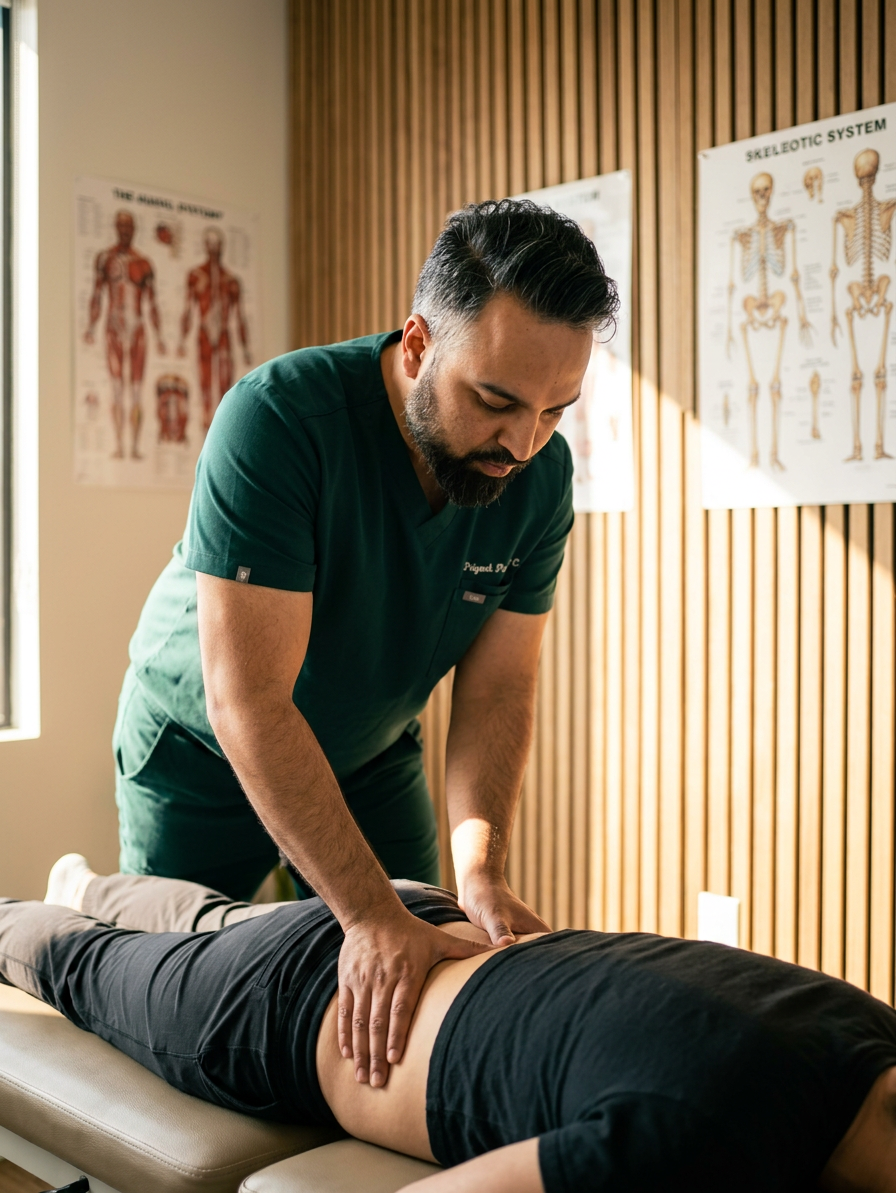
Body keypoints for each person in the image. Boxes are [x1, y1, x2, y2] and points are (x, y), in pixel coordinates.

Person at [113, 199, 618, 1085]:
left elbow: (498, 690)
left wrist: (482, 870)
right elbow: (251, 703)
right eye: (496, 402)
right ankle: (71, 909)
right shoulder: (278, 420)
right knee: (180, 1013)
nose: (521, 443)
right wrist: (367, 913)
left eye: (554, 412)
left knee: (418, 976)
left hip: (373, 746)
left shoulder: (540, 478)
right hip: (202, 749)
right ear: (419, 345)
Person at [1, 854, 895, 1193]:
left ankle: (87, 884)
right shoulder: (704, 1142)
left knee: (223, 919)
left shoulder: (867, 1026)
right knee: (81, 967)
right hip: (280, 1009)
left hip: (409, 917)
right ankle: (41, 907)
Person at [84, 209, 166, 459]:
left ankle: (135, 446)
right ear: (115, 228)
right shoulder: (104, 259)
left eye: (129, 226)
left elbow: (152, 303)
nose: (125, 231)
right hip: (114, 326)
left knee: (137, 389)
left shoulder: (143, 263)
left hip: (138, 327)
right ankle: (120, 444)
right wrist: (90, 326)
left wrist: (160, 336)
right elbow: (97, 295)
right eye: (121, 226)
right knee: (118, 387)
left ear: (135, 229)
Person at [176, 226, 252, 434]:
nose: (214, 250)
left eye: (217, 246)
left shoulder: (231, 281)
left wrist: (245, 348)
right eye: (210, 246)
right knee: (206, 387)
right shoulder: (196, 276)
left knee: (226, 388)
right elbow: (188, 311)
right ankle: (206, 434)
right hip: (204, 334)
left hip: (225, 334)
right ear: (205, 247)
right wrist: (181, 341)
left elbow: (240, 317)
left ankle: (225, 432)